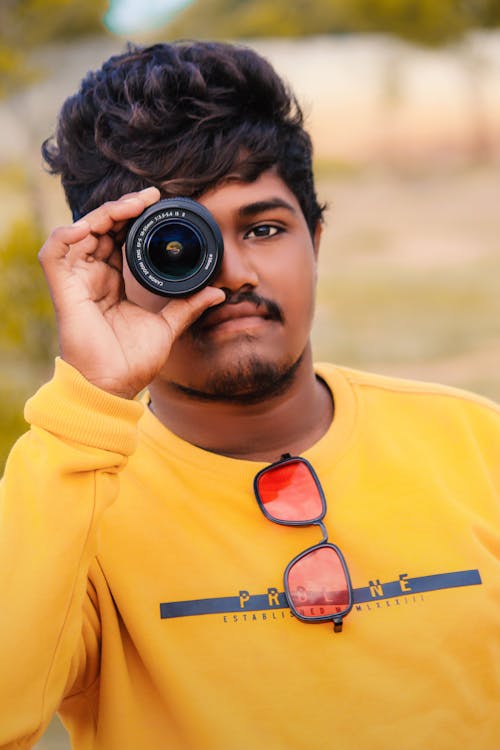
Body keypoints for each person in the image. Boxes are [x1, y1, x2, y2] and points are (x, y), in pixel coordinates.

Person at [0, 40, 499, 750]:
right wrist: (87, 401)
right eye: (179, 244)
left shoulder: (478, 448)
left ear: (316, 241)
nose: (233, 272)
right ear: (110, 264)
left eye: (263, 228)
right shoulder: (73, 499)